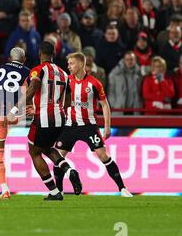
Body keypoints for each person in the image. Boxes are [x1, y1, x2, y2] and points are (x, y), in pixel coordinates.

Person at [54, 52, 133, 197]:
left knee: (103, 156)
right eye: (68, 63)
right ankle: (58, 191)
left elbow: (105, 105)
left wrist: (107, 126)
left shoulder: (94, 83)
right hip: (69, 126)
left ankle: (122, 188)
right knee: (58, 157)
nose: (68, 66)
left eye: (71, 63)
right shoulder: (66, 81)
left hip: (89, 126)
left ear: (80, 64)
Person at [22, 41, 82, 200]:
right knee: (47, 148)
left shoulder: (38, 70)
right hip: (60, 118)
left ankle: (54, 192)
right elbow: (69, 100)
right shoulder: (64, 73)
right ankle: (69, 171)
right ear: (54, 54)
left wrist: (17, 107)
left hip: (43, 117)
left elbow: (33, 87)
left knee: (34, 151)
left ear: (39, 53)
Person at [0, 47, 30, 199]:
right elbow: (29, 91)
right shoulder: (27, 71)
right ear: (24, 59)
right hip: (17, 114)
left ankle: (4, 189)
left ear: (9, 58)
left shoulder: (1, 68)